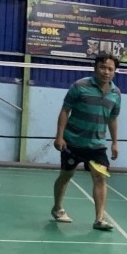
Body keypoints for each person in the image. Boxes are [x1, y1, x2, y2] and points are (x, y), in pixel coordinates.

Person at [52, 54, 121, 231]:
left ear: (114, 72)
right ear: (95, 68)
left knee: (100, 178)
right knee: (66, 176)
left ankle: (99, 219)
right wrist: (59, 136)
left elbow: (113, 118)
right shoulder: (80, 86)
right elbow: (65, 110)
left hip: (97, 145)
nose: (106, 72)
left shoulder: (116, 94)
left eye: (110, 69)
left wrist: (114, 142)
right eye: (103, 67)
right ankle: (57, 208)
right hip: (72, 142)